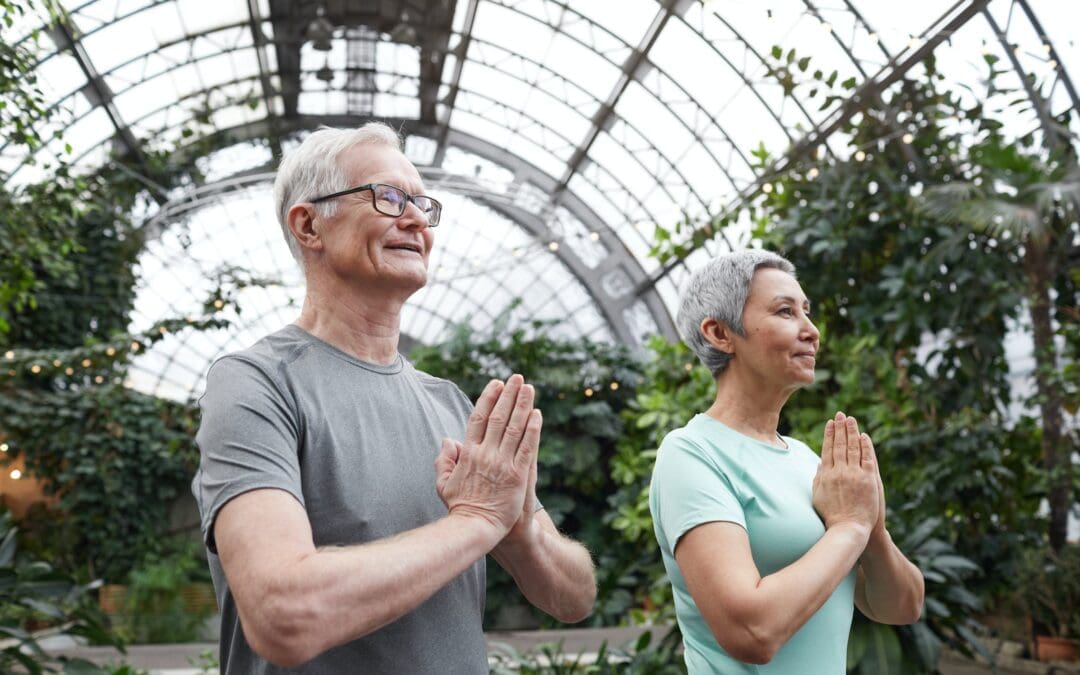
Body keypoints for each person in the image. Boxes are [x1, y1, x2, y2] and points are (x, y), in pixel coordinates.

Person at [192, 122, 597, 673]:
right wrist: (475, 521)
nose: (414, 219)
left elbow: (574, 597)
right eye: (387, 197)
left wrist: (519, 528)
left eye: (421, 204)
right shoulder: (256, 383)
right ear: (309, 225)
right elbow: (282, 614)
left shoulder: (452, 406)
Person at [649, 250, 924, 673]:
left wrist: (873, 528)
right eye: (785, 311)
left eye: (806, 312)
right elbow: (751, 633)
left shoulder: (806, 460)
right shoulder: (690, 455)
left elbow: (902, 607)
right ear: (720, 333)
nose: (811, 331)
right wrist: (849, 527)